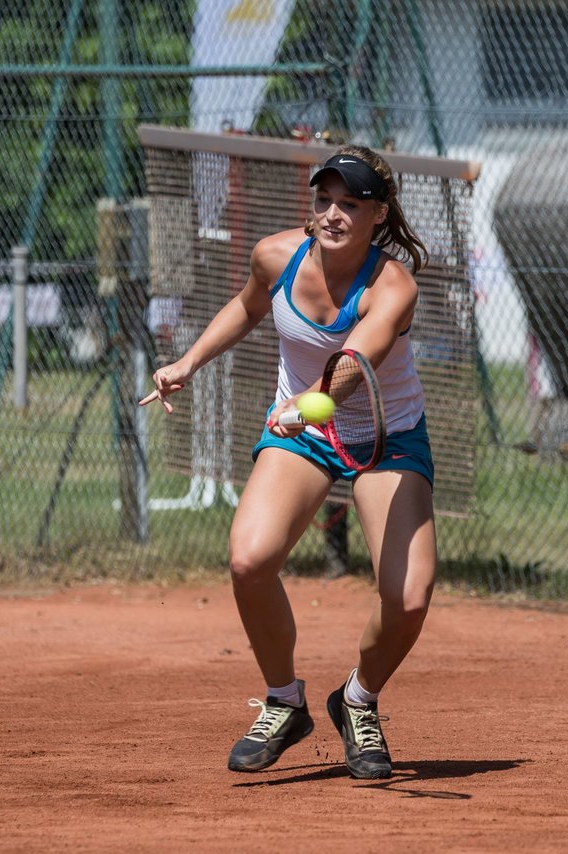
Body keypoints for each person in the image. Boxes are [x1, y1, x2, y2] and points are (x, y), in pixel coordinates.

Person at [139, 145, 436, 780]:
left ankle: (356, 701)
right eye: (324, 198)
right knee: (249, 560)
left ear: (378, 215)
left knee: (408, 599)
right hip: (303, 436)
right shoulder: (276, 255)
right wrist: (188, 363)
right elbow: (249, 306)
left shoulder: (394, 286)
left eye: (350, 204)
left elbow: (356, 362)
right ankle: (283, 701)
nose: (332, 213)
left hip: (386, 440)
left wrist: (313, 403)